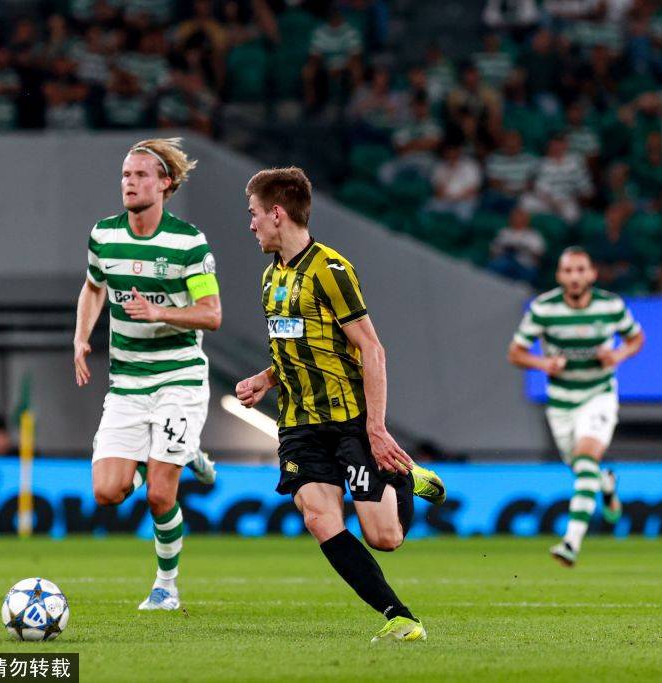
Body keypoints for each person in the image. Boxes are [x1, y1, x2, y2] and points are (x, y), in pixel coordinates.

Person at [235, 167, 446, 643]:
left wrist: (376, 428)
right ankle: (399, 616)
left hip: (348, 420)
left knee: (385, 538)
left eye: (253, 214)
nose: (250, 224)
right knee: (317, 517)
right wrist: (266, 379)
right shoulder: (270, 277)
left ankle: (405, 476)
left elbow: (372, 349)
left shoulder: (331, 270)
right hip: (298, 424)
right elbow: (298, 345)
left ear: (276, 213)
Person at [73, 137, 220, 611]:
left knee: (160, 495)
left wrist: (160, 314)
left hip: (179, 378)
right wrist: (81, 337)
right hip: (128, 383)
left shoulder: (188, 242)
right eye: (125, 175)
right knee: (106, 492)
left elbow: (212, 313)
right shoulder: (104, 235)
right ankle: (180, 452)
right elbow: (93, 287)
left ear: (164, 184)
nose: (130, 183)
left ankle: (166, 586)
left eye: (140, 175)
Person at [507, 247, 645, 567]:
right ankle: (606, 483)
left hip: (598, 395)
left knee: (584, 461)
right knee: (582, 468)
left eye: (581, 270)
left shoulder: (610, 306)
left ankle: (571, 541)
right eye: (568, 271)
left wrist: (618, 355)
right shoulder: (544, 308)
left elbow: (636, 338)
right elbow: (515, 352)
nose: (575, 277)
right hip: (561, 403)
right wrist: (543, 363)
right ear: (559, 276)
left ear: (592, 274)